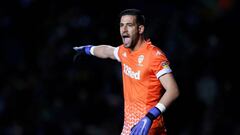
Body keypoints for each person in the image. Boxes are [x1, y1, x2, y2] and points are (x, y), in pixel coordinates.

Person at [73, 9, 179, 135]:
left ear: (140, 29)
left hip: (148, 126)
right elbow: (107, 51)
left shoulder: (154, 56)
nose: (124, 29)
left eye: (129, 25)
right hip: (130, 127)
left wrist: (150, 117)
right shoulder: (125, 51)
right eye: (122, 25)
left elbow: (173, 90)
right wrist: (88, 49)